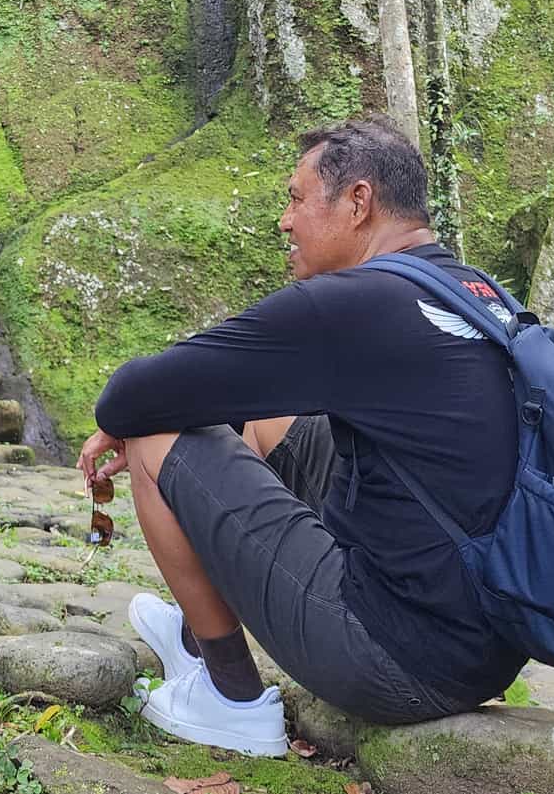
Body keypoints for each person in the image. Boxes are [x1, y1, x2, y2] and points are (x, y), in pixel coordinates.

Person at [77, 115, 527, 756]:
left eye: (295, 199)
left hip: (395, 658)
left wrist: (122, 428)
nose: (285, 221)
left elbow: (129, 396)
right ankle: (200, 617)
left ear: (358, 202)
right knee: (267, 416)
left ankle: (228, 697)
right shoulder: (474, 293)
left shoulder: (353, 304)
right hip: (483, 643)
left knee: (154, 434)